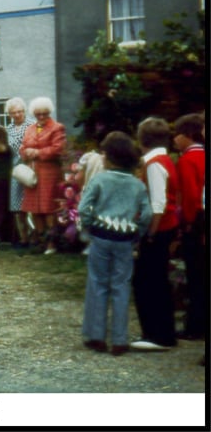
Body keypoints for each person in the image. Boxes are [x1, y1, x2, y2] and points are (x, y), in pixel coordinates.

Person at [79, 131, 152, 357]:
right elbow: (147, 214)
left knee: (98, 283)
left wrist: (89, 226)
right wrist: (136, 233)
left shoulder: (100, 179)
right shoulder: (137, 185)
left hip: (101, 237)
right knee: (121, 287)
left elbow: (83, 209)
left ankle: (97, 336)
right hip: (125, 240)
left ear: (109, 157)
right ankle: (120, 340)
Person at [131, 117, 178, 352]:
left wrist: (149, 234)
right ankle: (161, 332)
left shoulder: (153, 164)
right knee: (155, 280)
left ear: (143, 139)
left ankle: (157, 334)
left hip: (158, 229)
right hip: (165, 228)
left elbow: (158, 203)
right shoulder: (164, 159)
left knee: (147, 281)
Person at [172, 113, 206, 341]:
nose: (174, 139)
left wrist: (187, 225)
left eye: (177, 134)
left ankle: (195, 326)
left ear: (187, 136)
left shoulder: (186, 160)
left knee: (196, 277)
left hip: (197, 223)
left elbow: (191, 196)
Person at [19, 97, 66, 255]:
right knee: (35, 208)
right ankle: (40, 239)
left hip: (49, 172)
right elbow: (23, 147)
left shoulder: (57, 128)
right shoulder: (30, 128)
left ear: (49, 112)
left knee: (49, 208)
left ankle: (52, 242)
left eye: (44, 114)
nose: (41, 117)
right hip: (32, 173)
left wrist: (38, 152)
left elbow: (58, 149)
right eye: (38, 114)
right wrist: (26, 152)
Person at [5, 97, 35, 248]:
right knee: (17, 206)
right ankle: (23, 238)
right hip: (15, 170)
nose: (17, 115)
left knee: (33, 204)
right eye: (13, 112)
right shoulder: (8, 129)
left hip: (30, 168)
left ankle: (37, 235)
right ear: (9, 114)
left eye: (20, 111)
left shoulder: (32, 125)